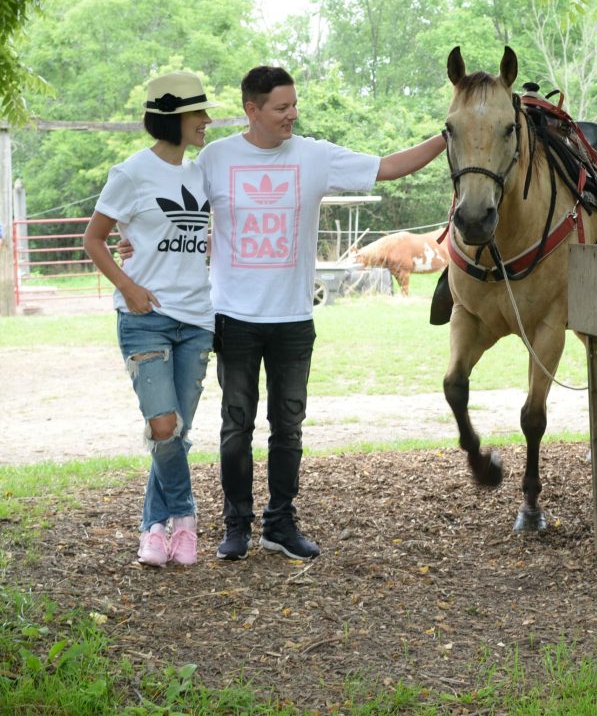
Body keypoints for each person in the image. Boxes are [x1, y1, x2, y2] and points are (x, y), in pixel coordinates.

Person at [198, 65, 445, 562]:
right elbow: (177, 209)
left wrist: (448, 136)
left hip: (292, 318)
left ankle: (280, 525)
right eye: (281, 107)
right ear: (252, 110)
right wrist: (135, 241)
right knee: (235, 425)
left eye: (294, 105)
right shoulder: (215, 158)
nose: (292, 114)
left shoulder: (314, 156)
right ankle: (236, 526)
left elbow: (388, 166)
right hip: (234, 317)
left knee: (288, 426)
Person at [83, 71, 220, 568]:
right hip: (145, 318)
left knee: (176, 434)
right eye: (197, 113)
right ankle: (184, 517)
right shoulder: (131, 173)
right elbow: (94, 239)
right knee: (163, 425)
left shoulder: (203, 172)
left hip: (197, 319)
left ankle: (152, 529)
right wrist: (128, 285)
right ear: (173, 118)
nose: (206, 121)